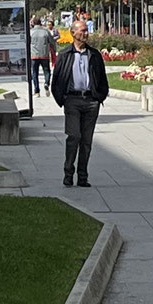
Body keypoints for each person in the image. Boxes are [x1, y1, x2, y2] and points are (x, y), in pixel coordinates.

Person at [50, 19, 110, 188]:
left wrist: (100, 97)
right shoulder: (65, 55)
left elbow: (102, 79)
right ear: (73, 33)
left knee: (86, 141)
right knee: (74, 137)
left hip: (91, 101)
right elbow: (56, 81)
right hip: (72, 101)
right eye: (82, 31)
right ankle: (68, 172)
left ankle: (82, 176)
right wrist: (62, 100)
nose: (85, 34)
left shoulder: (94, 55)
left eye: (86, 31)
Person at [27, 16, 54, 94]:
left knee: (35, 72)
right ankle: (46, 83)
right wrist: (53, 50)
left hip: (34, 55)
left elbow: (27, 43)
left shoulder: (31, 32)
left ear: (33, 23)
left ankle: (36, 90)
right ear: (40, 23)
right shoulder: (46, 31)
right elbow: (52, 42)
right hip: (44, 55)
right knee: (46, 71)